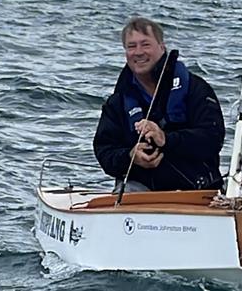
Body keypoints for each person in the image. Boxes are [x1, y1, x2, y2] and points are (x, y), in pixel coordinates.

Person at [93, 16, 225, 192]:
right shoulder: (118, 101)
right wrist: (130, 156)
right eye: (132, 46)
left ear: (162, 47)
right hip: (140, 190)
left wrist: (165, 139)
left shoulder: (195, 88)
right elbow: (104, 150)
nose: (138, 52)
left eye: (145, 44)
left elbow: (212, 139)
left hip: (198, 190)